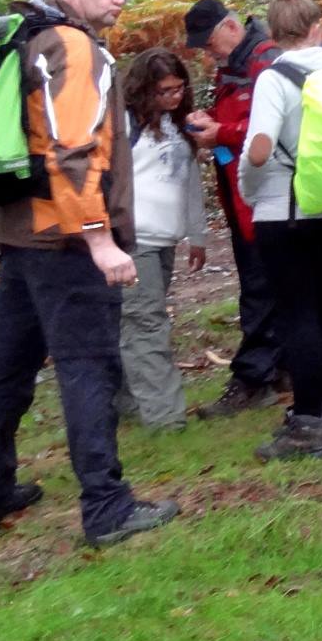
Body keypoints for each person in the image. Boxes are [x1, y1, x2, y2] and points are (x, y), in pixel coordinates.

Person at [0, 0, 179, 547]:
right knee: (89, 367)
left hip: (24, 230)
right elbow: (74, 151)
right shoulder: (74, 47)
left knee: (5, 364)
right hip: (64, 239)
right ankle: (107, 508)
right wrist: (99, 240)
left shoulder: (26, 36)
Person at [239, 0, 322, 460]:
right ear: (317, 29)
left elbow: (260, 147)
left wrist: (251, 187)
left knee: (297, 313)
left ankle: (306, 424)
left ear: (271, 33)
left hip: (284, 209)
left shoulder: (273, 78)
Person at [182, 0, 283, 414]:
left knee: (260, 291)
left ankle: (254, 379)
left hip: (265, 199)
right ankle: (281, 369)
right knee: (266, 287)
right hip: (243, 199)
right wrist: (212, 121)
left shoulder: (265, 61)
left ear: (229, 27)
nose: (209, 54)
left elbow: (274, 129)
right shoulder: (235, 65)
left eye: (210, 44)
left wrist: (220, 132)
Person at [119, 49, 208, 431]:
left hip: (166, 238)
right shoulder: (123, 125)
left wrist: (197, 233)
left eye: (178, 88)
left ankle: (123, 401)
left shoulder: (180, 125)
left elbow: (189, 183)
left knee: (135, 323)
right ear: (144, 90)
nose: (172, 97)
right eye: (163, 91)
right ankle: (166, 418)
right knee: (147, 323)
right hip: (132, 239)